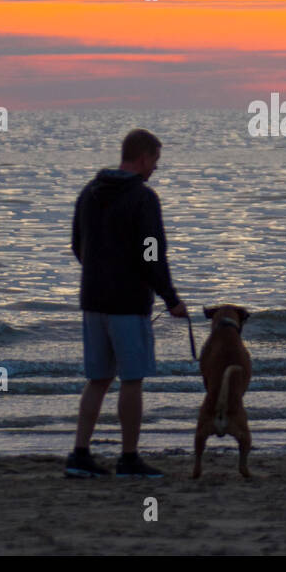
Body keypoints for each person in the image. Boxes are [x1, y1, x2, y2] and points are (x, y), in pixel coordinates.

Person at [66, 128, 187, 479]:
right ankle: (129, 457)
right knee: (132, 379)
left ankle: (80, 453)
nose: (155, 170)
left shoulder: (89, 192)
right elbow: (151, 254)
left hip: (93, 299)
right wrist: (172, 299)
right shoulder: (142, 198)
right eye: (155, 162)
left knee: (98, 378)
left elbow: (78, 245)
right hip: (128, 303)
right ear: (144, 157)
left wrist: (98, 271)